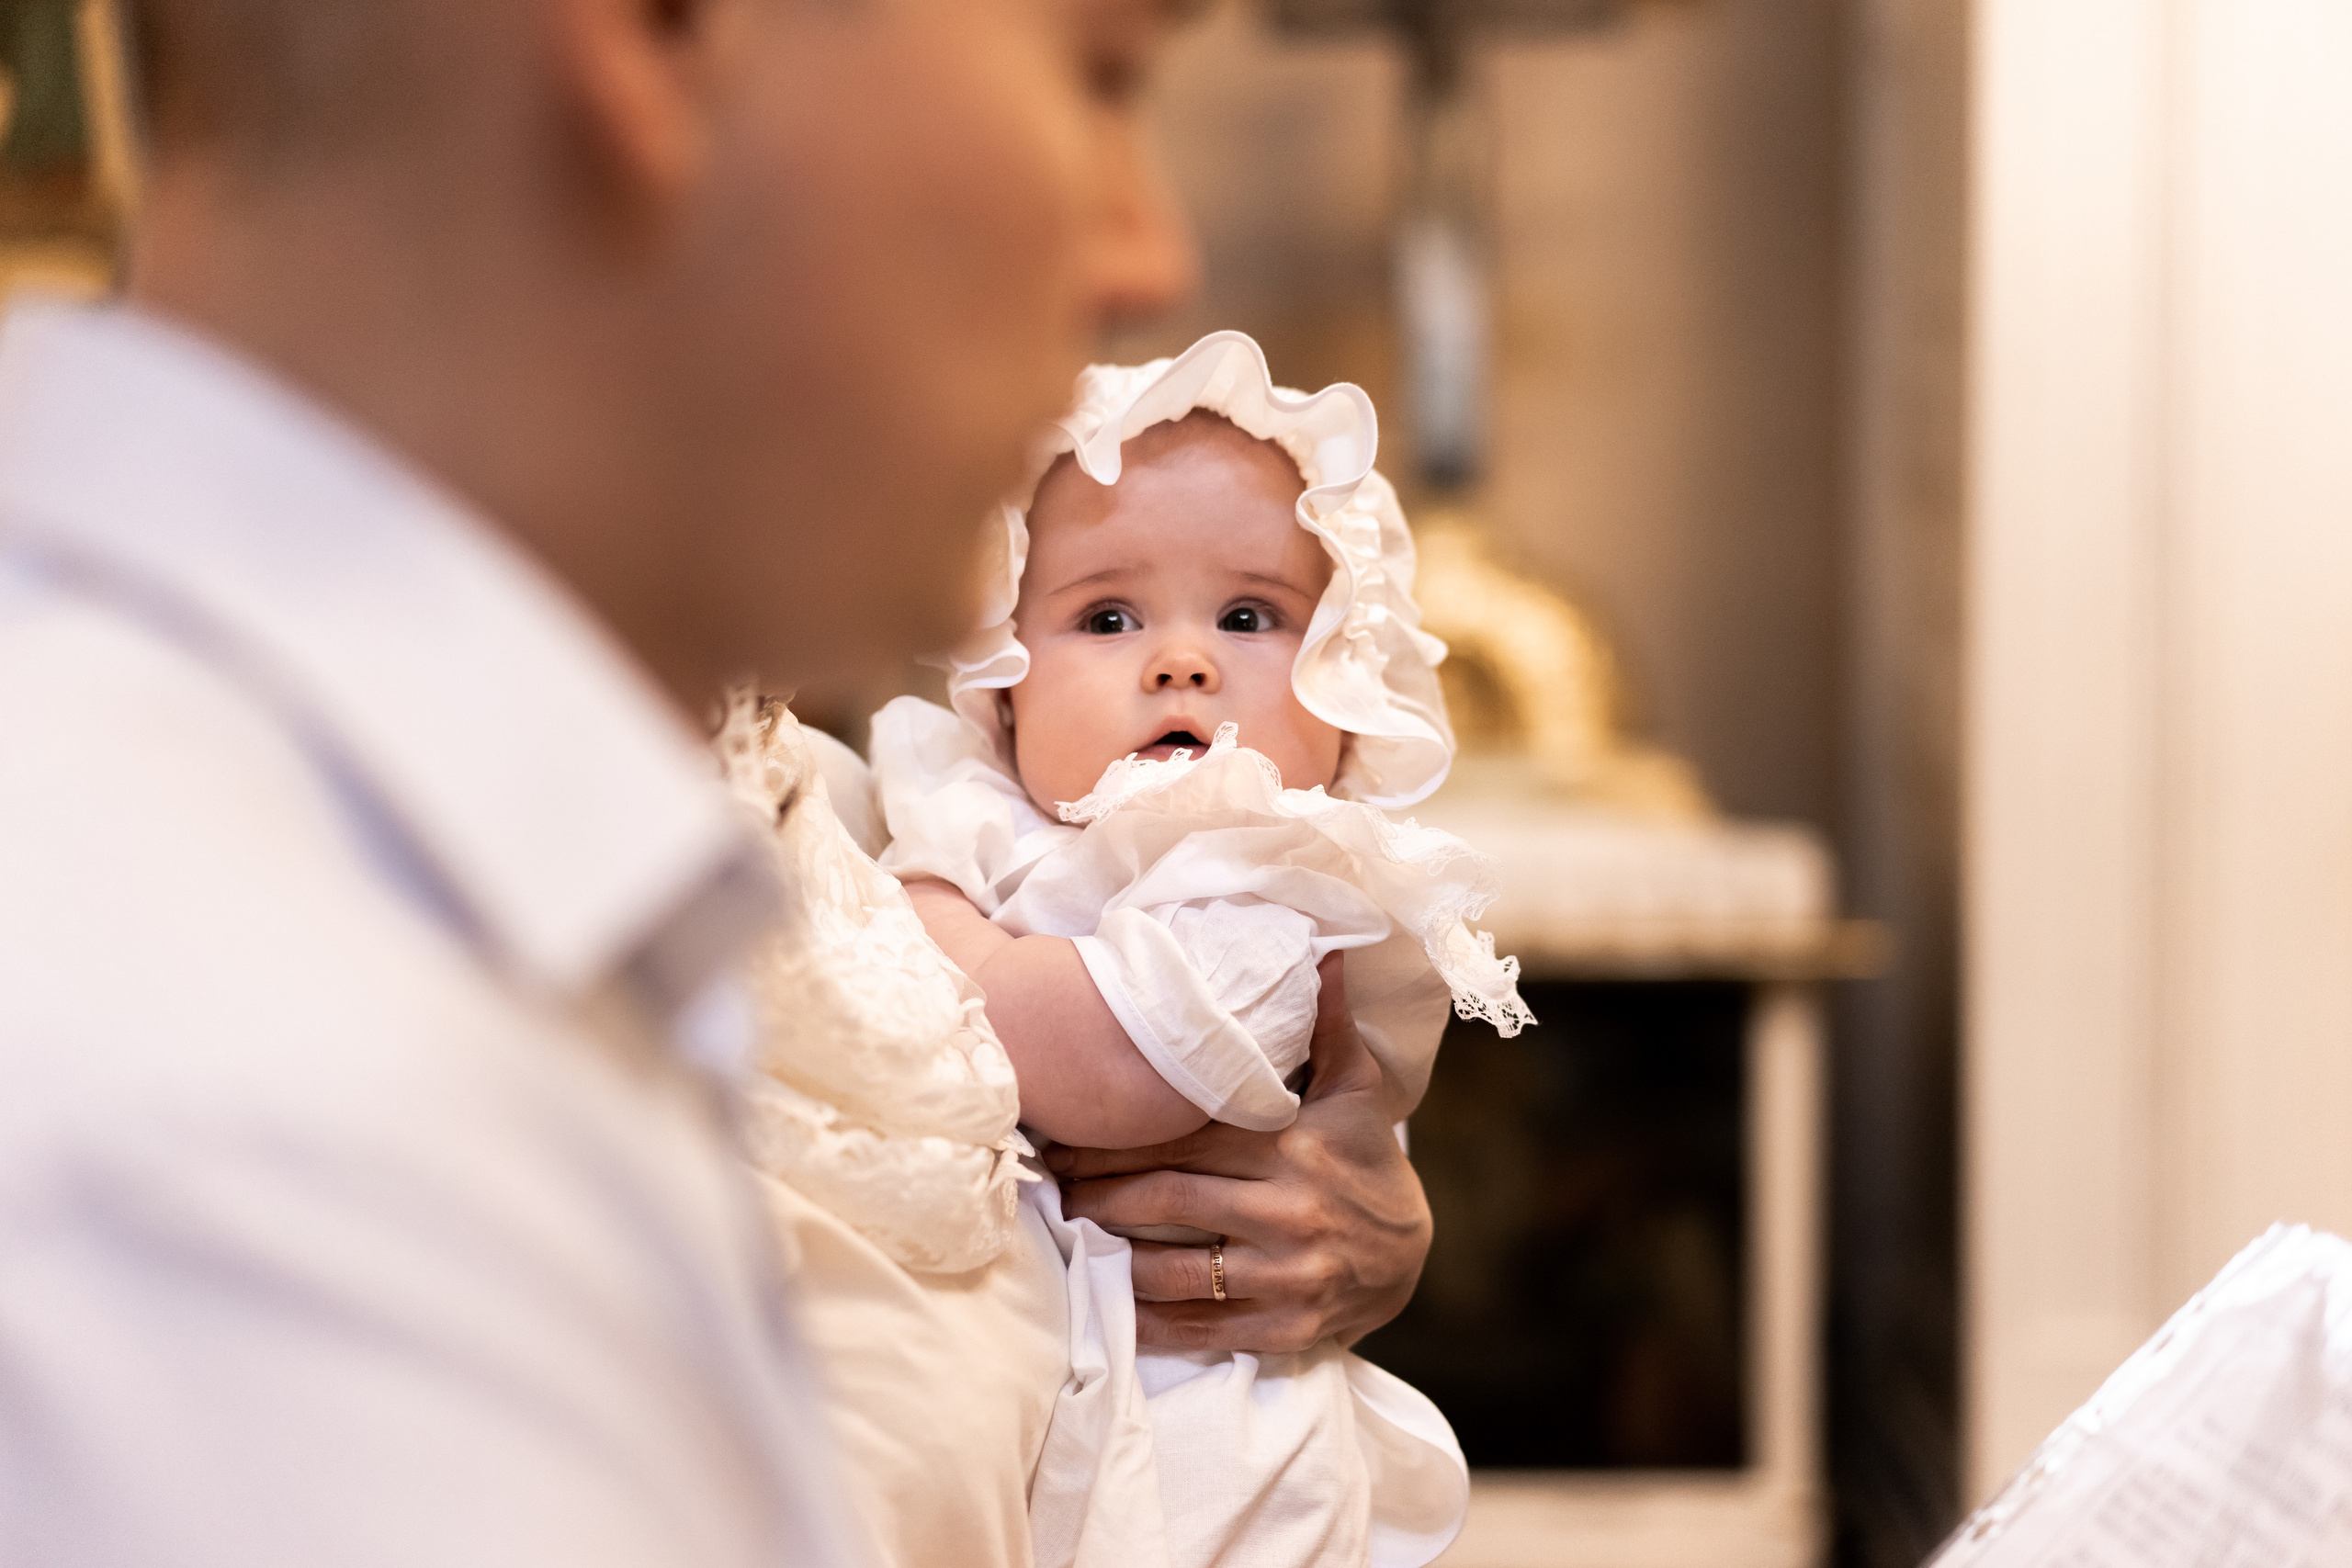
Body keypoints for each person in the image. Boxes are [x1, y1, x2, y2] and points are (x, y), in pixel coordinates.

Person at [0, 3, 1437, 1565]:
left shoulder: (752, 807)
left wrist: (1256, 1242)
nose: (1145, 255)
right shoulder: (208, 1127)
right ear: (660, 31)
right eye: (1098, 79)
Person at [866, 330, 1534, 1567]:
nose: (1182, 661)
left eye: (1248, 615)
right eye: (1107, 616)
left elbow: (1114, 1067)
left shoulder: (1267, 872)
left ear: (1350, 694)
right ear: (1002, 683)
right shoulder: (1001, 828)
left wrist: (917, 921)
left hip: (1210, 1453)